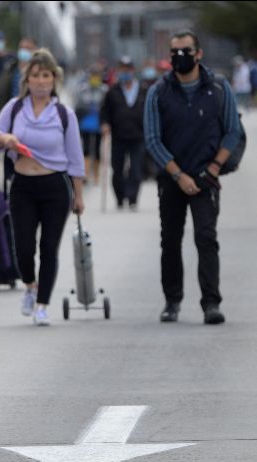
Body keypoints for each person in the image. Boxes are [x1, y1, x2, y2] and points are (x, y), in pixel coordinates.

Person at [144, 30, 241, 325]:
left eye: (185, 50)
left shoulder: (219, 87)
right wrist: (178, 175)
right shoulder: (158, 91)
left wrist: (212, 169)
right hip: (172, 179)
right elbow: (152, 139)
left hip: (206, 176)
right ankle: (172, 301)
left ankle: (211, 302)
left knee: (206, 238)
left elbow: (233, 131)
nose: (180, 57)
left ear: (198, 54)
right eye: (174, 52)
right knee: (170, 241)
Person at [0, 48, 86, 326]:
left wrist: (78, 195)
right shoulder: (15, 108)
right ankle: (30, 285)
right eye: (35, 76)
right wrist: (4, 138)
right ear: (26, 80)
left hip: (54, 186)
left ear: (54, 80)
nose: (41, 81)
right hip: (22, 186)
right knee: (24, 247)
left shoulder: (64, 114)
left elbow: (75, 158)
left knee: (48, 247)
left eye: (46, 76)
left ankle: (42, 304)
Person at [0, 38, 38, 192]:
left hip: (33, 119)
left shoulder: (39, 71)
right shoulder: (11, 68)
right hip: (12, 118)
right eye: (22, 47)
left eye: (28, 48)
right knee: (11, 155)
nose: (24, 51)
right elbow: (1, 90)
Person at [100, 56, 148, 210]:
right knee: (117, 169)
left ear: (133, 71)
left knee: (136, 169)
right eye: (122, 70)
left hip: (138, 137)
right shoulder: (112, 91)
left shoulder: (143, 90)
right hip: (118, 137)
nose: (125, 72)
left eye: (128, 69)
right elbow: (104, 112)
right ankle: (120, 197)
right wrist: (105, 124)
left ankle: (132, 198)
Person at [75, 65, 108, 185]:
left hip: (99, 124)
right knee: (87, 149)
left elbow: (108, 107)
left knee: (97, 149)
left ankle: (96, 176)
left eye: (97, 75)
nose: (95, 78)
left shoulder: (105, 90)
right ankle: (86, 174)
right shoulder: (83, 89)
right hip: (86, 124)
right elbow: (78, 106)